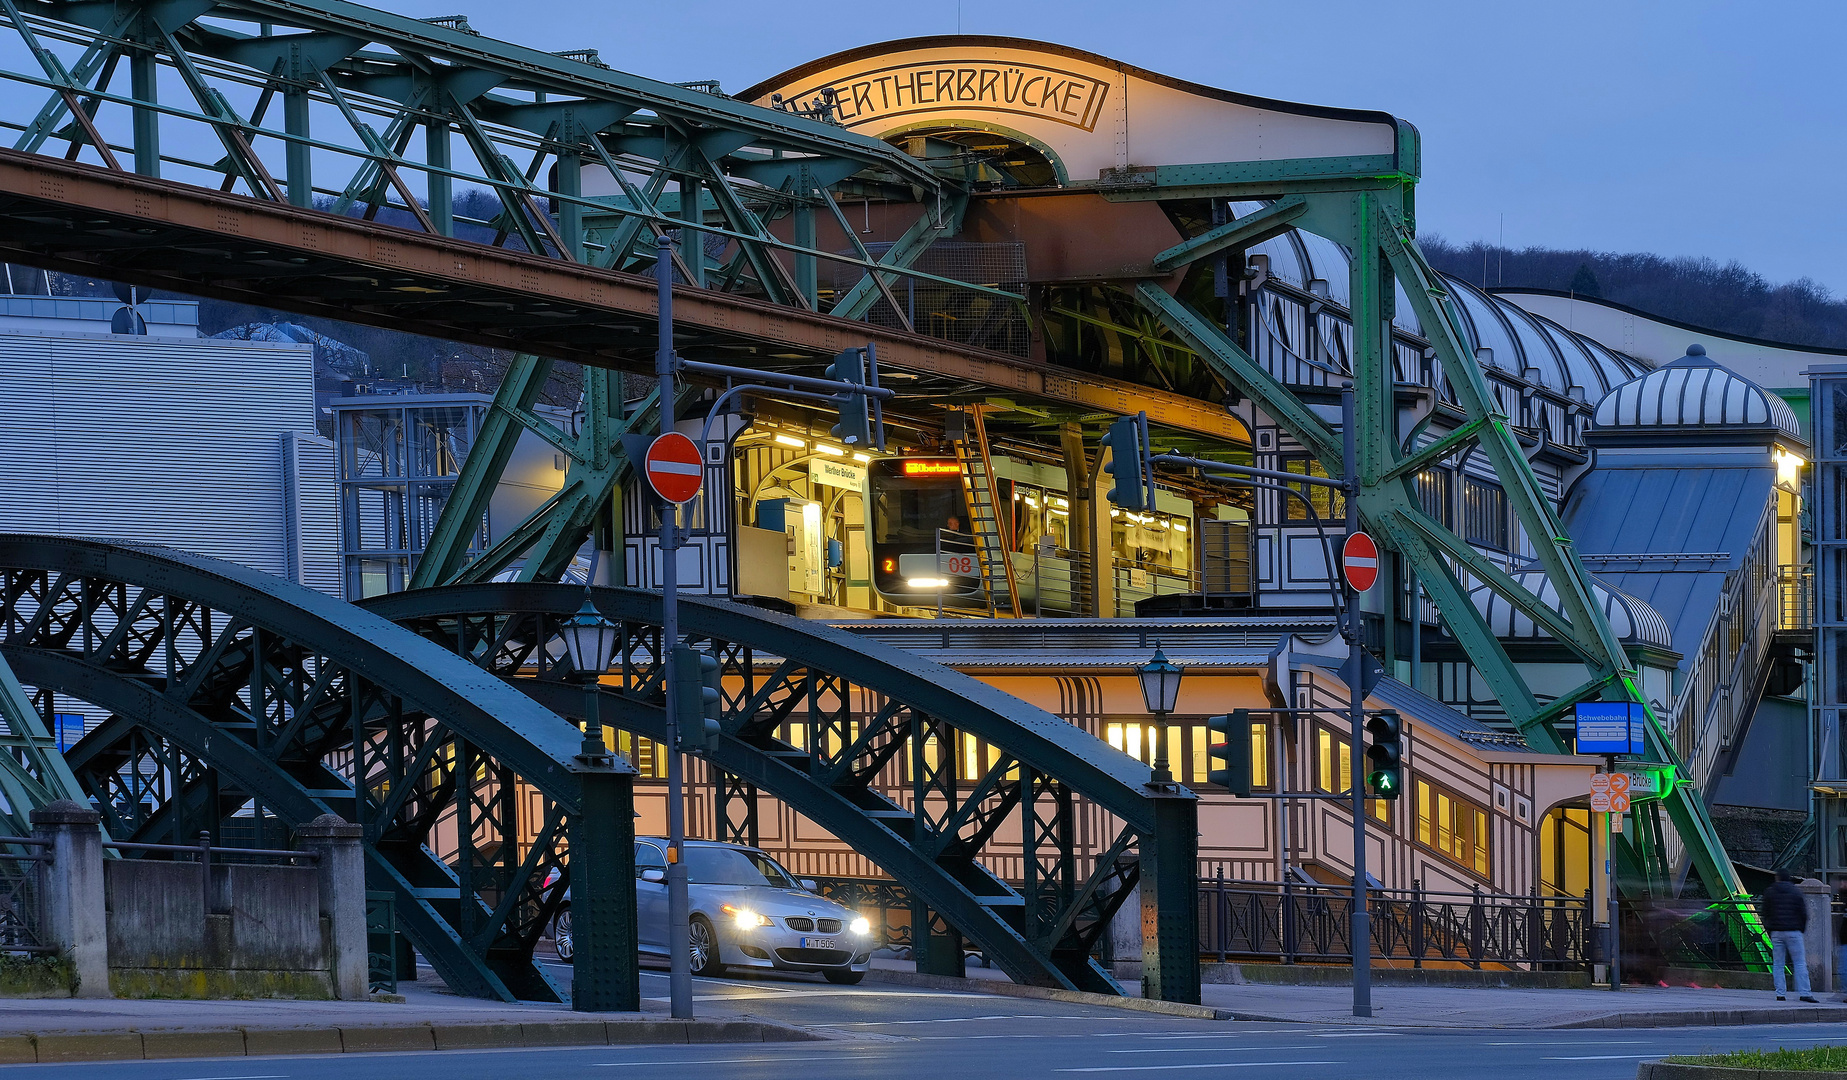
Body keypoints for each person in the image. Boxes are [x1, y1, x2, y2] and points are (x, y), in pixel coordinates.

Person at [1760, 871, 1818, 1002]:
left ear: (1777, 878)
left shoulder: (1770, 892)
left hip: (1776, 931)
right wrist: (1801, 929)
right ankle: (1805, 993)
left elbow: (1765, 912)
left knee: (1778, 963)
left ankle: (1780, 994)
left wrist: (1770, 929)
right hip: (1794, 931)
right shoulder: (1796, 892)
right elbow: (1803, 912)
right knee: (1799, 963)